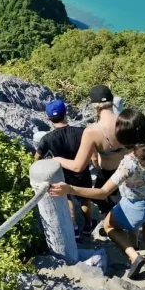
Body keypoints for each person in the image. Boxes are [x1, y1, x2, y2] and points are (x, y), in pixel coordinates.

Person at [50, 108, 145, 279]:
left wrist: (70, 189)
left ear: (122, 137)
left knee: (109, 226)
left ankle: (134, 257)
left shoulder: (129, 162)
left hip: (135, 206)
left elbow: (103, 192)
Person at [54, 85, 128, 216]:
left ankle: (110, 224)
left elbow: (78, 167)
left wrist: (57, 159)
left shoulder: (92, 131)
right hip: (127, 170)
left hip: (108, 173)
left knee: (102, 199)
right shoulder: (127, 122)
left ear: (95, 106)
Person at [35, 99, 96, 239]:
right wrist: (94, 161)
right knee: (85, 200)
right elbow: (92, 151)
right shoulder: (82, 132)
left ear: (48, 118)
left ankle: (74, 228)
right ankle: (88, 225)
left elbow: (37, 158)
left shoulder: (47, 138)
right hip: (82, 172)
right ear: (65, 114)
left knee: (68, 198)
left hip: (62, 173)